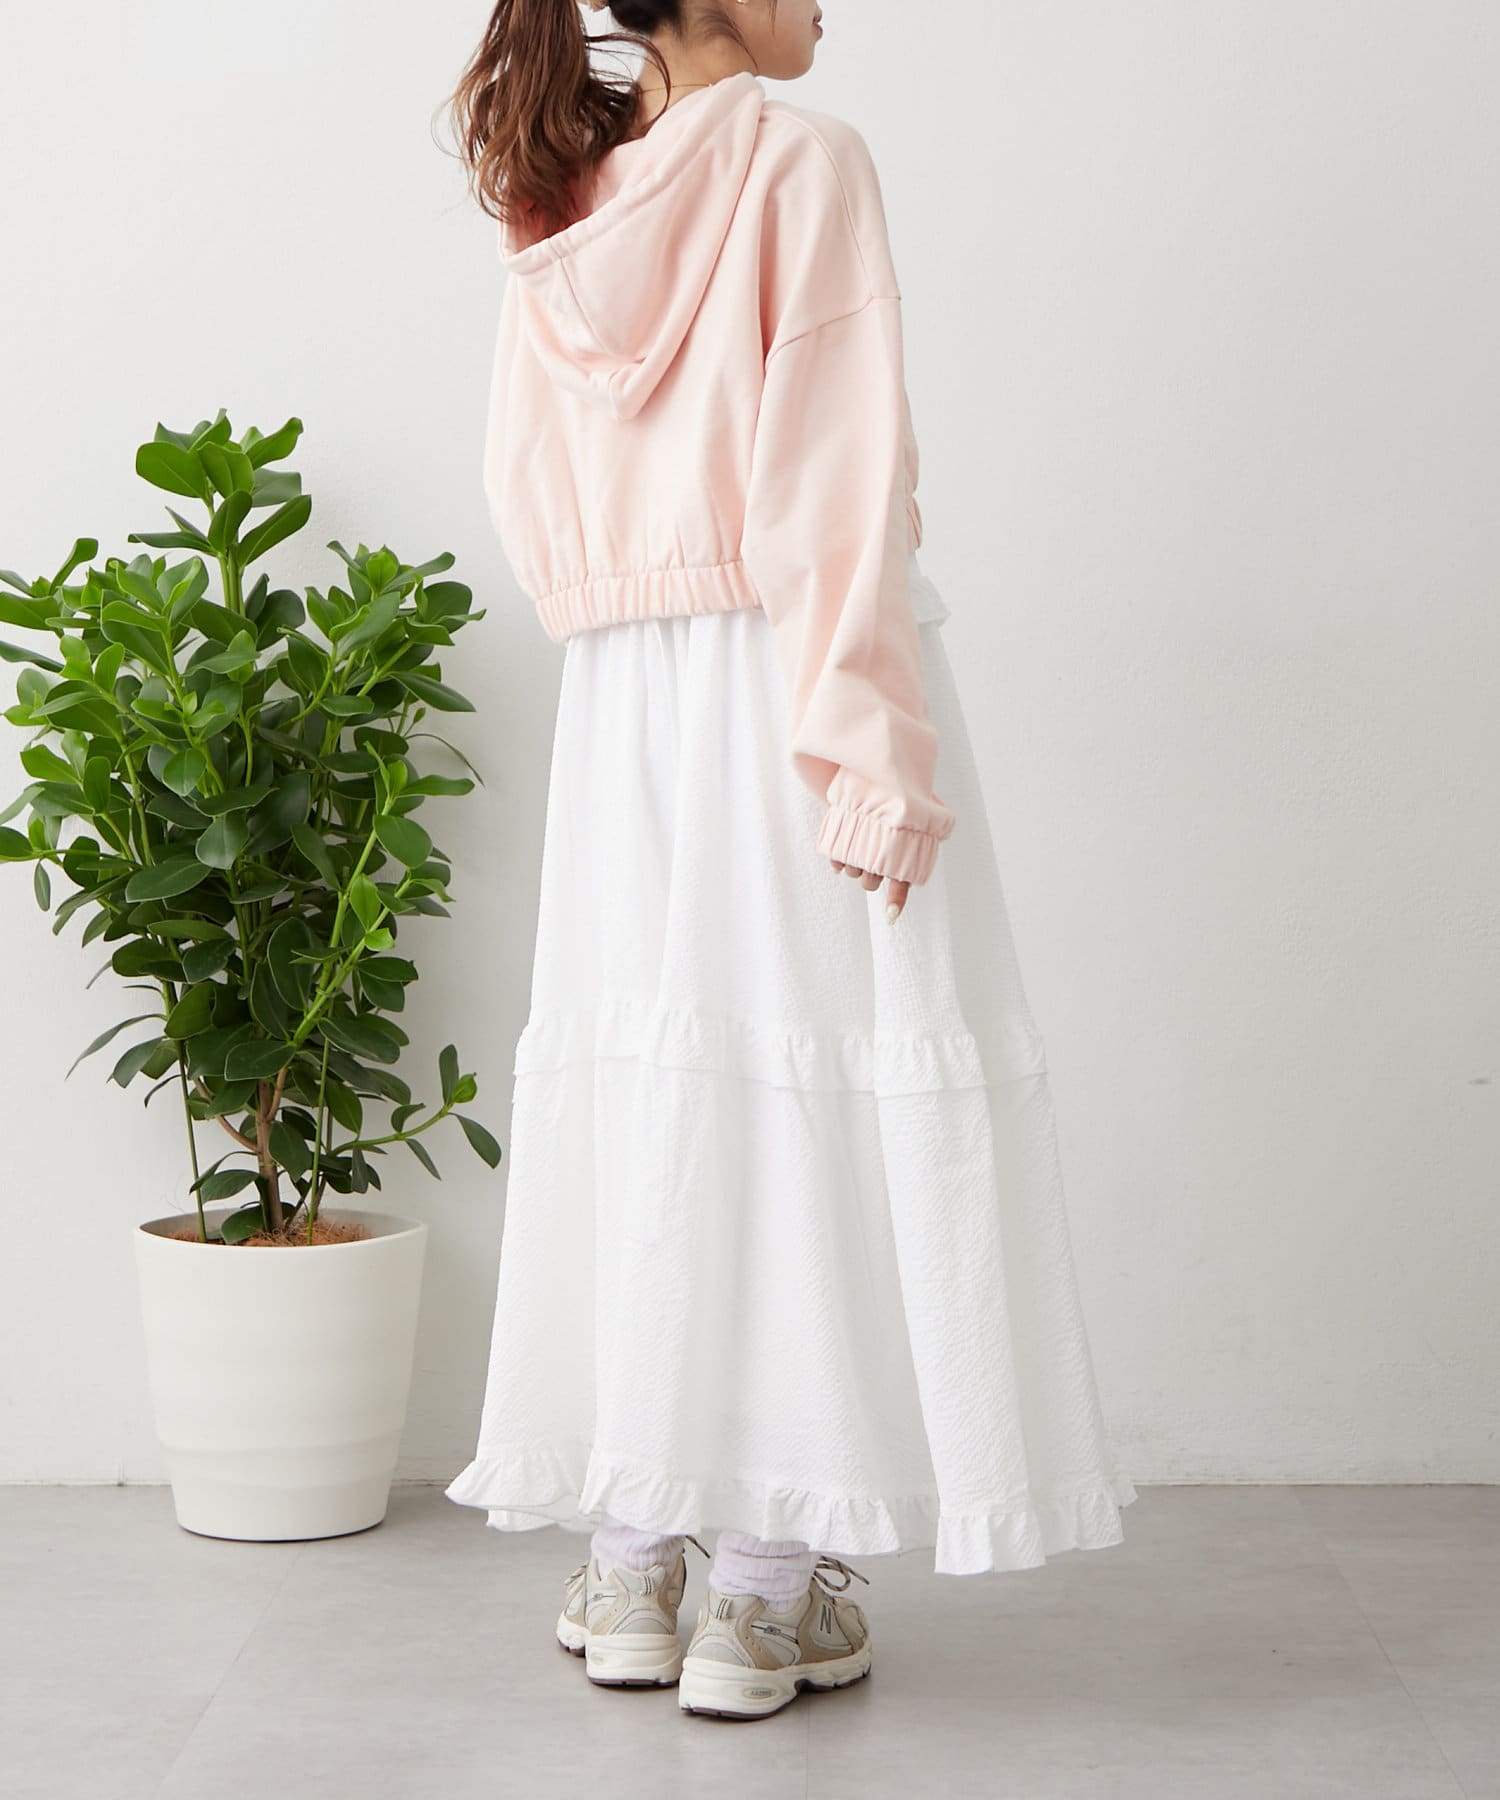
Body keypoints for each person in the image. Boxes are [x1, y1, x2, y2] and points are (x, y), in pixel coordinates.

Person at [443, 0, 1135, 1721]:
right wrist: (871, 756)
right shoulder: (800, 160)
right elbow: (830, 492)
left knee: (665, 1097)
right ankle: (757, 1596)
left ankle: (632, 1561)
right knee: (802, 1096)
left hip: (623, 708)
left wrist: (631, 604)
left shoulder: (564, 185)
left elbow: (525, 475)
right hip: (785, 677)